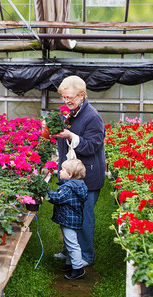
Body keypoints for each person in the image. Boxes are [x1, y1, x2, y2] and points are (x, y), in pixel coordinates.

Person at [50, 75, 106, 266]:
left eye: (70, 98)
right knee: (68, 214)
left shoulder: (92, 117)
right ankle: (69, 250)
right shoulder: (69, 113)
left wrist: (71, 135)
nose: (66, 101)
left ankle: (86, 256)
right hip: (70, 175)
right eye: (63, 98)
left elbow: (91, 147)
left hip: (86, 177)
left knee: (83, 217)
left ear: (82, 96)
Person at [47, 159, 88, 280]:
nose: (59, 171)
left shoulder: (68, 188)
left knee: (72, 244)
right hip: (73, 219)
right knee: (69, 242)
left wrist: (47, 191)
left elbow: (57, 198)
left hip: (68, 220)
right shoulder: (78, 185)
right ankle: (70, 264)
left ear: (70, 175)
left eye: (62, 169)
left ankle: (78, 269)